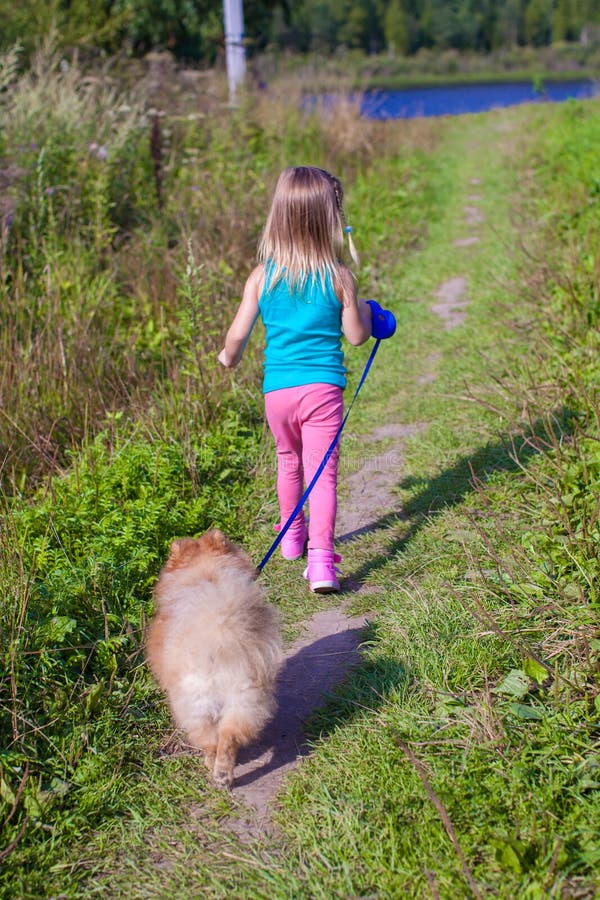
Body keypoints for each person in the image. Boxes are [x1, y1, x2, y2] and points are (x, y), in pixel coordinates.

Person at [218, 165, 390, 593]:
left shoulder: (262, 277)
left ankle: (292, 539)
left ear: (279, 216)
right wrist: (369, 311)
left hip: (277, 392)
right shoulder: (338, 277)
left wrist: (227, 357)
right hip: (321, 391)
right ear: (329, 219)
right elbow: (355, 336)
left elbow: (238, 334)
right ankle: (321, 564)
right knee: (323, 475)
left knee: (288, 461)